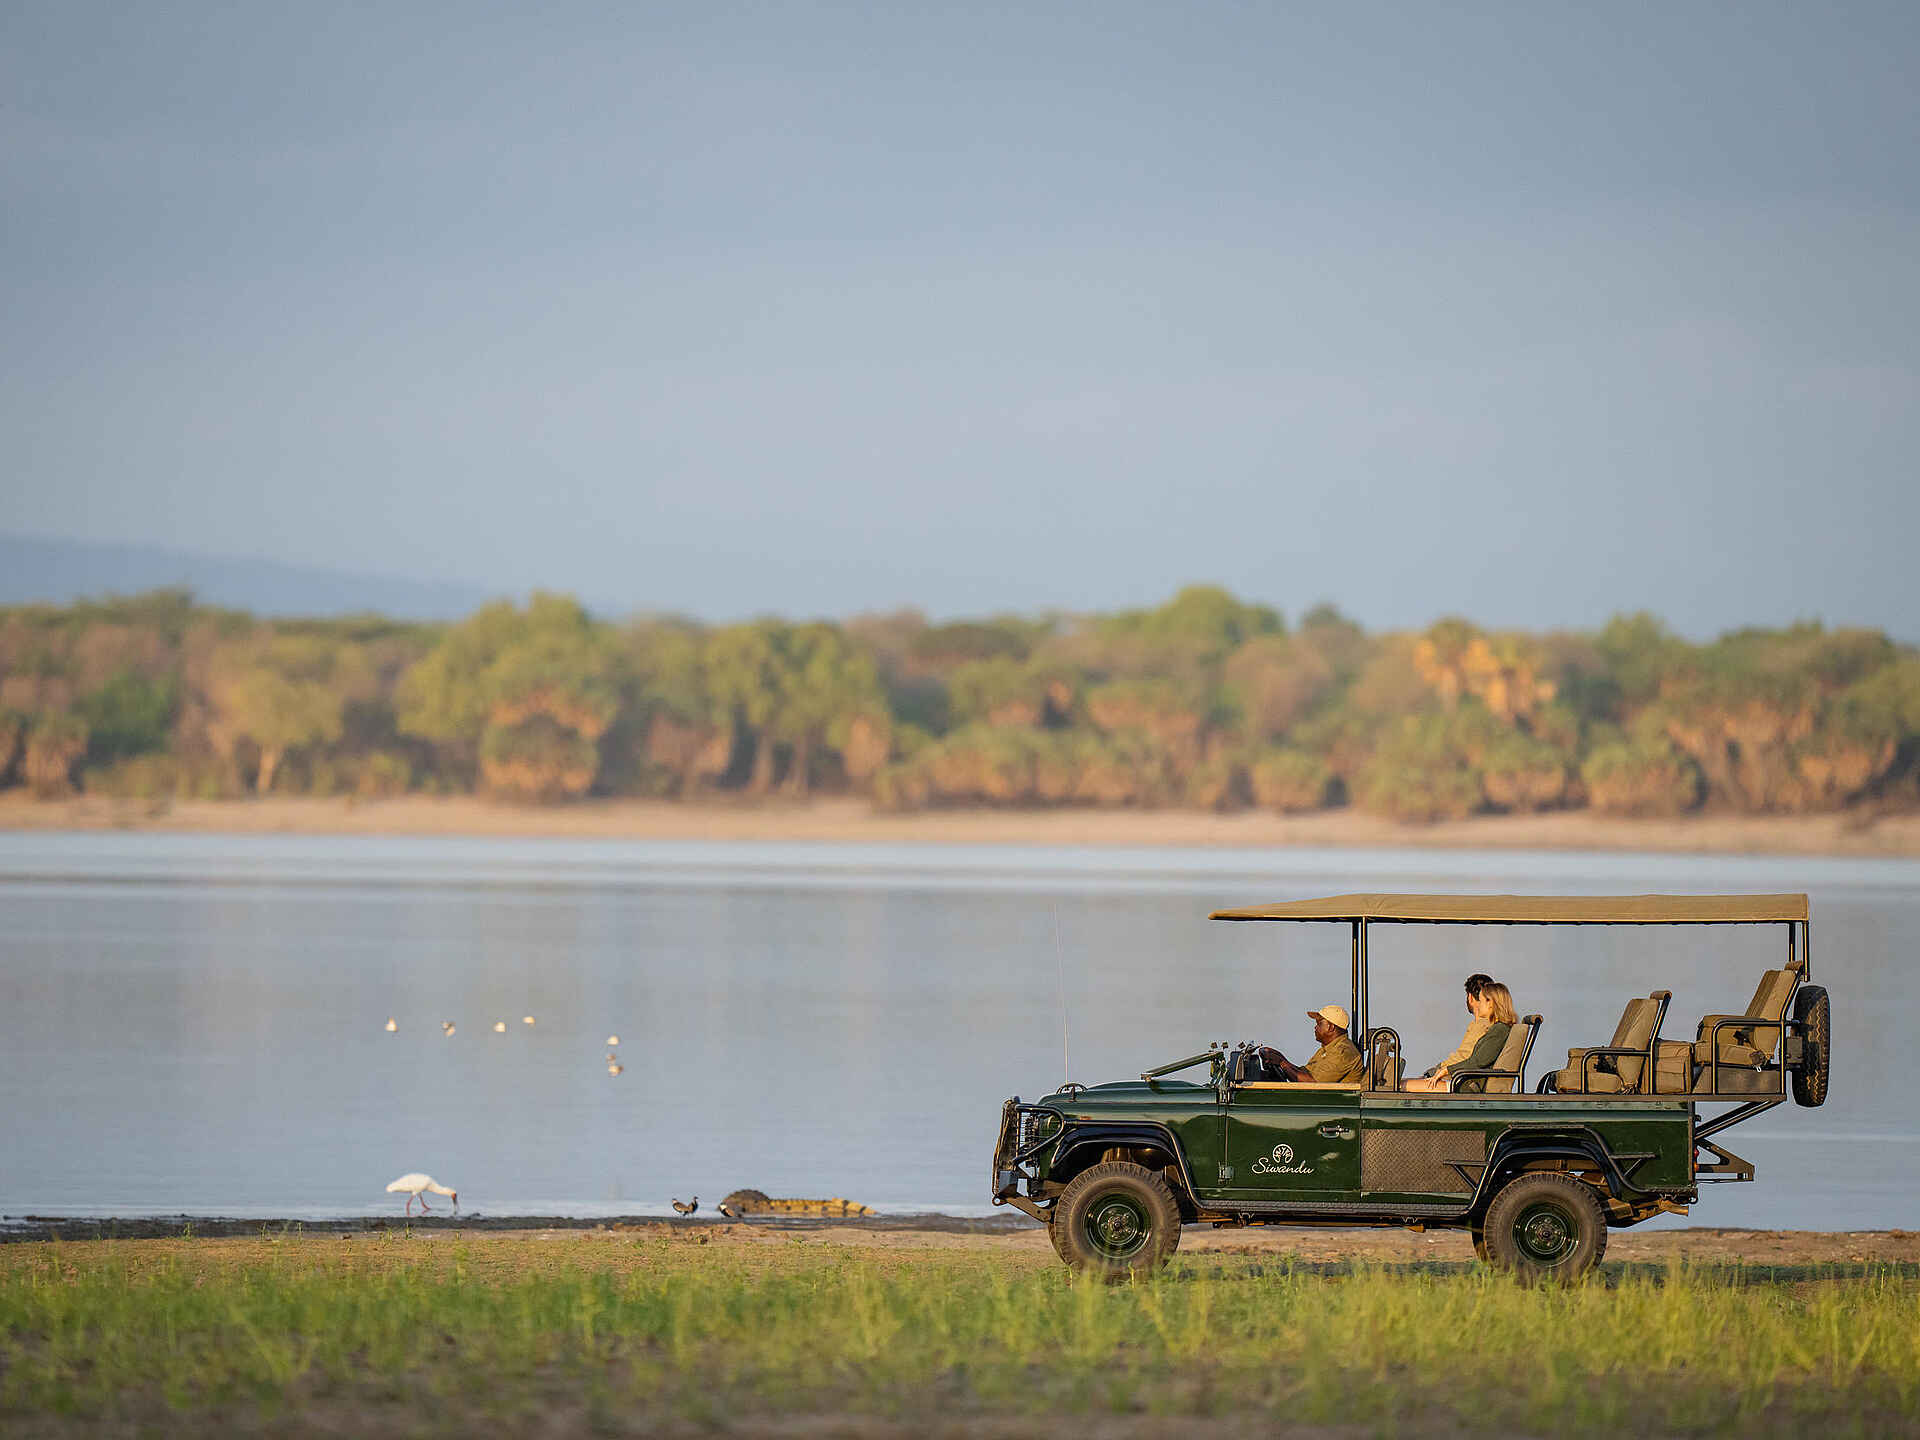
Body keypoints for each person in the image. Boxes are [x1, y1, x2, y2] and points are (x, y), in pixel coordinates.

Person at [1406, 982, 1517, 1092]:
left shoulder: (1499, 1030)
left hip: (1466, 1085)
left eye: (1481, 1000)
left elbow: (1477, 1062)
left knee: (1401, 1086)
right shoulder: (1498, 1028)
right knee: (1402, 1084)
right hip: (1464, 1080)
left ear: (1490, 1003)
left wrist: (1446, 1070)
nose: (1479, 1004)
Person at [1252, 1004, 1365, 1084]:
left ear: (1331, 1027)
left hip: (1332, 1107)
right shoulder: (1328, 1049)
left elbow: (1312, 1084)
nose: (1315, 1027)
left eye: (1319, 1024)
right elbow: (1305, 1073)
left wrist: (1282, 1063)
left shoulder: (1343, 1052)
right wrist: (1279, 1058)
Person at [1421, 973, 1495, 1080]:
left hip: (1459, 1078)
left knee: (1401, 1086)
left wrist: (1435, 1071)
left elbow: (1463, 1057)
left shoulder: (1482, 1025)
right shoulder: (1485, 1024)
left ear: (1470, 997)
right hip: (1457, 1074)